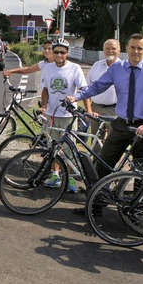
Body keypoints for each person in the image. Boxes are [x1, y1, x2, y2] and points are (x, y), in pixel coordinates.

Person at [67, 33, 143, 214]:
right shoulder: (118, 67)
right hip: (121, 124)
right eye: (132, 47)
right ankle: (95, 206)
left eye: (140, 48)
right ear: (126, 48)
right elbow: (97, 86)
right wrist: (76, 96)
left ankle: (135, 213)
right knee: (103, 164)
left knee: (141, 172)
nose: (136, 51)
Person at [39, 39, 90, 189]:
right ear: (52, 53)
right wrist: (43, 106)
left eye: (62, 52)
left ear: (67, 53)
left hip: (68, 115)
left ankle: (69, 178)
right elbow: (45, 90)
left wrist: (88, 110)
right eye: (56, 52)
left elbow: (83, 90)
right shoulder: (48, 68)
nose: (59, 55)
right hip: (52, 114)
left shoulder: (75, 68)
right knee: (52, 147)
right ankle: (55, 175)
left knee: (69, 149)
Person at [86, 39, 121, 154]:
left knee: (114, 141)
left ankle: (111, 168)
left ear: (119, 50)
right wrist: (89, 110)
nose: (110, 51)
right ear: (103, 50)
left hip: (115, 110)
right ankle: (96, 165)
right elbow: (87, 88)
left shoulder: (124, 67)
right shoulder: (96, 66)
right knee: (96, 139)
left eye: (113, 48)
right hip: (96, 109)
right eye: (107, 48)